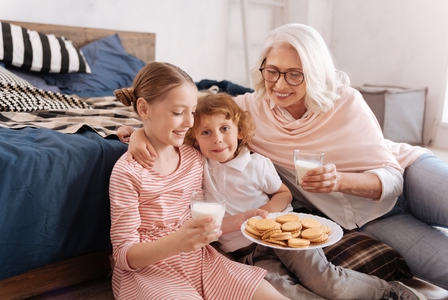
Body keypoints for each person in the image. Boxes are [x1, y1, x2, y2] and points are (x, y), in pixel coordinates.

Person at [117, 23, 448, 292]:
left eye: (294, 74)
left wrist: (340, 181)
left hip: (407, 173)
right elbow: (188, 110)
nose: (279, 84)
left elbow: (392, 177)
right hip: (374, 219)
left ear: (315, 72)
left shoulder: (346, 102)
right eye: (271, 71)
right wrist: (139, 132)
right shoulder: (250, 108)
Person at [182, 92, 427, 300]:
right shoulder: (199, 165)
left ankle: (387, 291)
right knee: (281, 288)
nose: (217, 139)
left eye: (225, 129)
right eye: (205, 133)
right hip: (245, 250)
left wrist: (264, 216)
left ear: (239, 133)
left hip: (283, 231)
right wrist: (140, 138)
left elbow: (283, 193)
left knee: (323, 279)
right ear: (194, 139)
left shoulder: (256, 164)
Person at [109, 61, 290, 300]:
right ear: (144, 109)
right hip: (149, 271)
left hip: (199, 261)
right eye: (178, 112)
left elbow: (200, 228)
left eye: (192, 112)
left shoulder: (194, 157)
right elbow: (123, 254)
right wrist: (178, 242)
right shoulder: (127, 173)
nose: (190, 123)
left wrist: (237, 221)